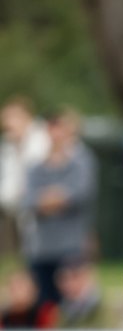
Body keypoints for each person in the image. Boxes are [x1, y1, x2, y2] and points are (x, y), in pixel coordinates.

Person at [21, 108, 98, 306]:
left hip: (71, 246)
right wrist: (55, 198)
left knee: (73, 302)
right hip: (42, 248)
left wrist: (50, 199)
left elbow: (80, 194)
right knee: (44, 304)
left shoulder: (81, 162)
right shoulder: (36, 166)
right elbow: (28, 200)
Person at [0, 96, 50, 255]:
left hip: (48, 211)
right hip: (24, 212)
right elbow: (8, 187)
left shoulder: (44, 139)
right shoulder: (9, 147)